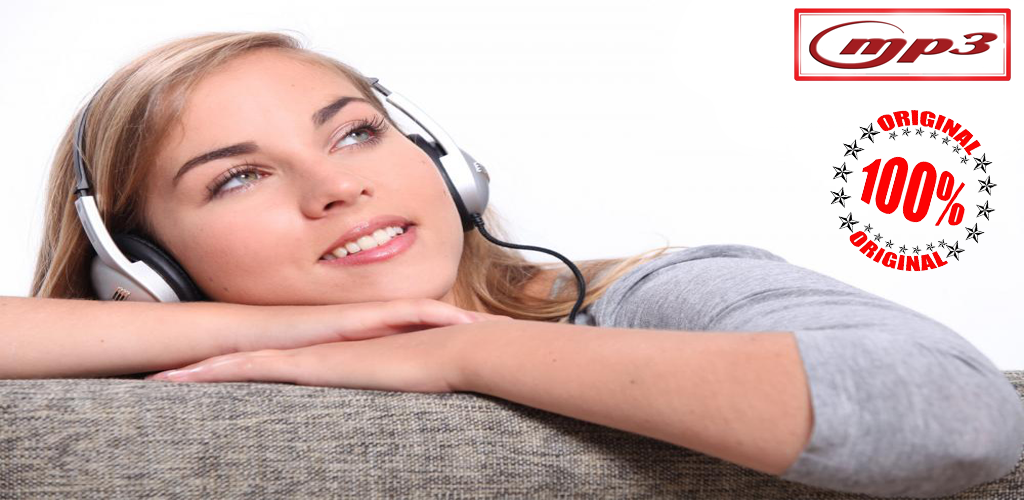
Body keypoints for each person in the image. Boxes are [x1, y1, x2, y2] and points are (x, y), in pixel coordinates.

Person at [4, 31, 1023, 498]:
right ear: (142, 271)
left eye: (354, 132)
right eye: (238, 178)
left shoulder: (645, 297)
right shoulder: (185, 368)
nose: (337, 185)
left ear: (442, 162)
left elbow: (961, 413)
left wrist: (460, 352)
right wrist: (281, 327)